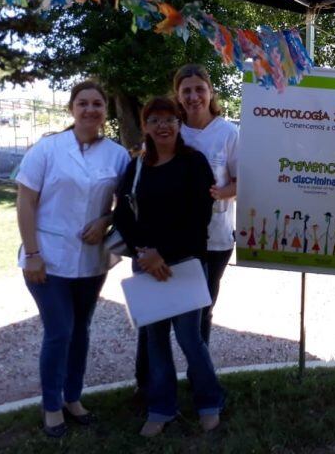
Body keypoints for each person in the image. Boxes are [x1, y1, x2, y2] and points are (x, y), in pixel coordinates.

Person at [16, 80, 129, 438]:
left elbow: (125, 205)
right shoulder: (47, 149)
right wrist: (32, 253)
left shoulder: (117, 155)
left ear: (105, 112)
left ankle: (73, 398)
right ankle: (52, 406)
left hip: (92, 261)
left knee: (80, 331)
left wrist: (106, 219)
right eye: (83, 103)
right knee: (60, 330)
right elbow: (25, 201)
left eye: (98, 103)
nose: (90, 109)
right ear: (72, 109)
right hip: (46, 260)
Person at [113, 97, 225, 438]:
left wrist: (162, 254)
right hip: (145, 264)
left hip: (185, 264)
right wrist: (143, 252)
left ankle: (209, 401)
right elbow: (122, 215)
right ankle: (161, 407)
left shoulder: (194, 163)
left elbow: (198, 219)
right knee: (156, 340)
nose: (163, 125)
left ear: (179, 124)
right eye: (155, 120)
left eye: (170, 119)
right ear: (145, 126)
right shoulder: (135, 168)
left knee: (191, 340)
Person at [174, 64, 238, 344]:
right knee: (166, 307)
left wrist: (221, 193)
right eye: (186, 90)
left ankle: (198, 374)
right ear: (177, 96)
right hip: (174, 236)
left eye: (199, 89)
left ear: (211, 92)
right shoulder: (171, 130)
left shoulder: (228, 133)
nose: (193, 96)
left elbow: (243, 180)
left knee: (203, 306)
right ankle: (152, 377)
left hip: (216, 238)